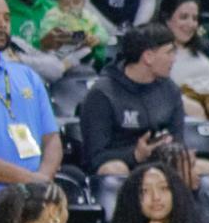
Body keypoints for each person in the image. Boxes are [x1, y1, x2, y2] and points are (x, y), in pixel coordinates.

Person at [79, 23, 186, 177]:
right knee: (114, 169)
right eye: (169, 53)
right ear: (148, 57)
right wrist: (135, 155)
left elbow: (178, 141)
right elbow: (94, 158)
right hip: (123, 168)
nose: (173, 59)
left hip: (160, 166)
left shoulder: (170, 90)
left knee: (201, 168)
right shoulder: (102, 94)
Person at [0, 0, 63, 186]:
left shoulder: (28, 76)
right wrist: (30, 180)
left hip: (32, 199)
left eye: (7, 18)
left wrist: (42, 179)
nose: (2, 24)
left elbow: (52, 138)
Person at [36, 0, 109, 69]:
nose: (71, 7)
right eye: (66, 4)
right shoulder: (53, 16)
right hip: (61, 58)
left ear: (83, 2)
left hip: (88, 58)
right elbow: (44, 34)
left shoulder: (87, 17)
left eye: (76, 2)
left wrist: (96, 38)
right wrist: (77, 36)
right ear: (58, 2)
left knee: (100, 51)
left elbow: (103, 34)